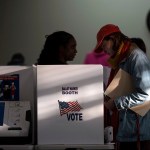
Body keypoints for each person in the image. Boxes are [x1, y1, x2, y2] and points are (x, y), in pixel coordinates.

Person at [93, 24, 150, 150]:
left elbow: (146, 96)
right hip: (125, 133)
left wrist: (116, 102)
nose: (103, 51)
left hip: (137, 137)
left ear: (113, 38)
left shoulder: (137, 58)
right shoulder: (122, 60)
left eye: (103, 45)